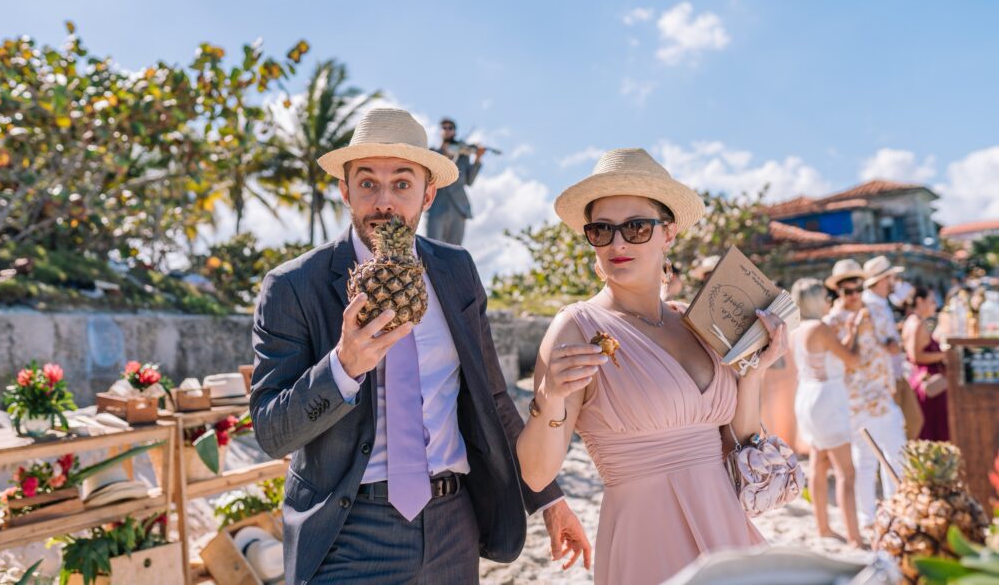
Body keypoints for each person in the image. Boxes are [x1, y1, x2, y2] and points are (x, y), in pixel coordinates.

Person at [249, 108, 589, 584]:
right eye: (367, 183)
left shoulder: (456, 270)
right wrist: (343, 367)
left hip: (453, 522)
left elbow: (492, 396)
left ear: (429, 193)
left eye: (402, 184)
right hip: (349, 533)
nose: (384, 202)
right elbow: (270, 430)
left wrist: (548, 497)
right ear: (344, 191)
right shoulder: (292, 287)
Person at [516, 148, 785, 584]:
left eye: (636, 228)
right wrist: (549, 401)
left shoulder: (696, 322)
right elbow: (537, 473)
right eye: (601, 231)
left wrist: (756, 369)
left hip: (727, 525)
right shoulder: (576, 327)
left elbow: (740, 439)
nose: (617, 243)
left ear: (669, 233)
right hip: (647, 538)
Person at [824, 258, 906, 530]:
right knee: (865, 461)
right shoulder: (832, 322)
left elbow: (888, 342)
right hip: (856, 400)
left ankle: (894, 512)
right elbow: (841, 360)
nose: (855, 295)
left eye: (858, 288)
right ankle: (868, 518)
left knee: (896, 453)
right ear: (838, 291)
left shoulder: (874, 311)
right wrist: (853, 331)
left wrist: (892, 345)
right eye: (848, 291)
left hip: (882, 392)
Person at [789, 278, 865, 548]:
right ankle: (855, 537)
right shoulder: (820, 327)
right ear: (814, 300)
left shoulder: (797, 329)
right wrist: (854, 332)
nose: (828, 300)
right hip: (827, 398)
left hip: (807, 396)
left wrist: (846, 334)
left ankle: (823, 527)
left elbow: (829, 355)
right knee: (846, 472)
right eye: (824, 295)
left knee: (818, 463)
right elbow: (851, 360)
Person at [861, 256, 924, 440]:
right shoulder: (869, 306)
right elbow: (869, 342)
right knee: (897, 429)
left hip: (895, 373)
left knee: (913, 421)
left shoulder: (879, 302)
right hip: (884, 378)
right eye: (891, 278)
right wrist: (889, 346)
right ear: (882, 279)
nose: (894, 282)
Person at [902, 286, 952, 441]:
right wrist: (944, 355)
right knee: (933, 432)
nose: (934, 305)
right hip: (928, 383)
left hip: (922, 380)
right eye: (931, 301)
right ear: (920, 301)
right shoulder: (917, 324)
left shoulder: (913, 321)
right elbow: (916, 356)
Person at [425, 117, 485, 245]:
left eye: (450, 128)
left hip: (458, 208)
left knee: (454, 250)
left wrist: (478, 158)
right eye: (444, 128)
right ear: (440, 131)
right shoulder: (432, 153)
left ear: (455, 132)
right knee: (432, 247)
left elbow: (469, 181)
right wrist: (446, 154)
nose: (447, 130)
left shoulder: (463, 155)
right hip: (436, 207)